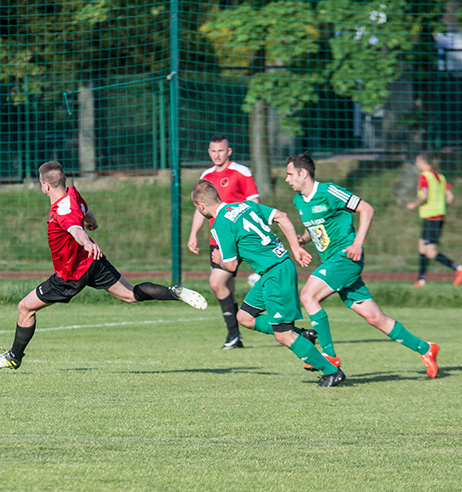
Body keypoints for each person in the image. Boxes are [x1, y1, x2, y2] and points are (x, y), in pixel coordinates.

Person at [0, 161, 208, 370]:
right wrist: (93, 224)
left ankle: (14, 358)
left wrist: (85, 241)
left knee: (25, 307)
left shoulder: (61, 211)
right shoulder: (73, 194)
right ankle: (174, 292)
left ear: (45, 186)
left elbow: (75, 229)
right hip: (93, 262)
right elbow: (85, 214)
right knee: (130, 294)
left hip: (71, 274)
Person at [284, 152, 440, 378]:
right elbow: (316, 225)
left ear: (303, 173)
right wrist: (303, 240)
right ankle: (426, 349)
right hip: (333, 262)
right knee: (374, 317)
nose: (287, 179)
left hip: (346, 256)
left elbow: (367, 209)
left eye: (290, 174)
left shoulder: (329, 191)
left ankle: (328, 356)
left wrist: (357, 243)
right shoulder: (299, 200)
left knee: (308, 295)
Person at [190, 179, 345, 387]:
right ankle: (303, 335)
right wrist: (296, 248)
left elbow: (232, 264)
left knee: (283, 335)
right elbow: (282, 216)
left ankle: (332, 371)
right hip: (275, 271)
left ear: (201, 206)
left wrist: (219, 261)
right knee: (244, 317)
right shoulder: (245, 205)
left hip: (275, 274)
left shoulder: (220, 225)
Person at [187, 135, 260, 349]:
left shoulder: (241, 172)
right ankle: (234, 336)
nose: (216, 155)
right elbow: (201, 207)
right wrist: (193, 234)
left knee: (216, 282)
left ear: (229, 151)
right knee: (225, 286)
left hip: (235, 238)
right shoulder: (206, 175)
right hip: (215, 239)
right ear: (208, 152)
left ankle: (235, 332)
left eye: (220, 150)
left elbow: (254, 203)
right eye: (212, 151)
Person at [405, 152, 462, 286]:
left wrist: (414, 204)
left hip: (431, 217)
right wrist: (441, 205)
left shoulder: (425, 176)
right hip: (437, 216)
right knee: (421, 248)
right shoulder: (440, 177)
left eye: (417, 161)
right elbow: (450, 197)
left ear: (424, 162)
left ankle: (458, 268)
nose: (416, 163)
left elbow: (424, 196)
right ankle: (421, 280)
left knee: (430, 252)